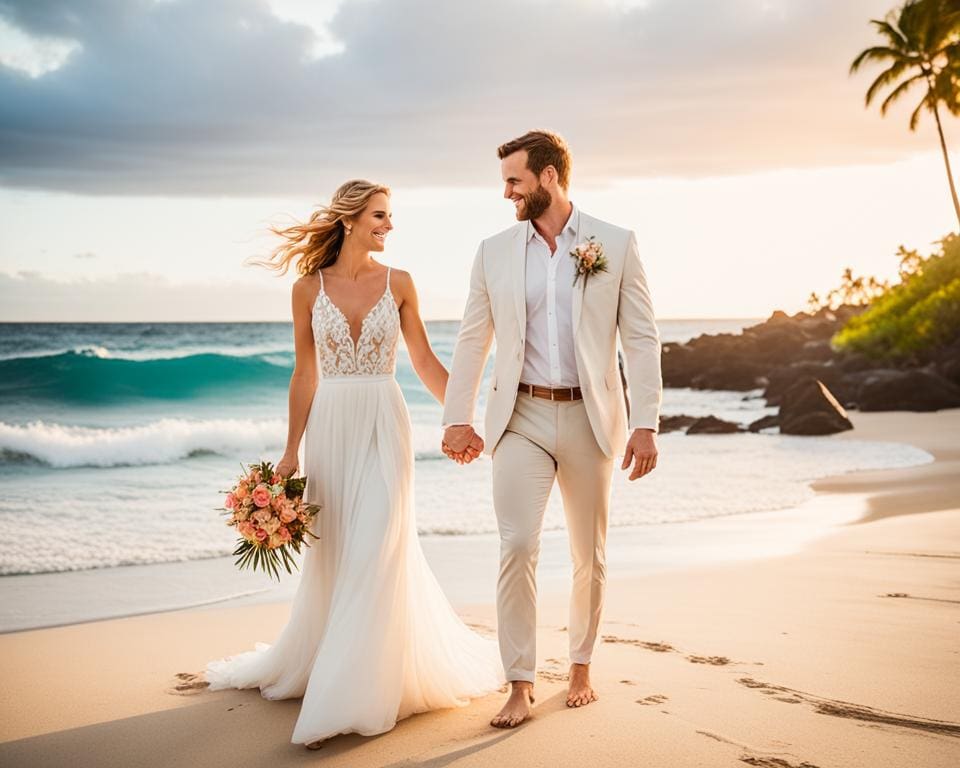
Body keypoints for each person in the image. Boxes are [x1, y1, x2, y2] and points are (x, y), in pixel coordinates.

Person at [204, 180, 503, 748]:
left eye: (390, 217)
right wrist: (292, 449)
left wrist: (463, 419)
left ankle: (348, 696)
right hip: (331, 426)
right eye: (380, 216)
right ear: (349, 219)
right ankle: (336, 666)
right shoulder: (306, 289)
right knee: (339, 550)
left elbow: (422, 359)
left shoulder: (402, 283)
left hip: (384, 421)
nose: (389, 227)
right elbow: (304, 373)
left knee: (378, 544)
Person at [442, 130, 662, 728]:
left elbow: (640, 339)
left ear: (549, 178)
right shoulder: (493, 252)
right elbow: (472, 338)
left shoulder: (614, 243)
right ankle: (519, 681)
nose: (507, 193)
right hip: (521, 417)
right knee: (517, 545)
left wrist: (646, 423)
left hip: (592, 419)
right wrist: (457, 418)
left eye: (514, 180)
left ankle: (582, 666)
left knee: (589, 553)